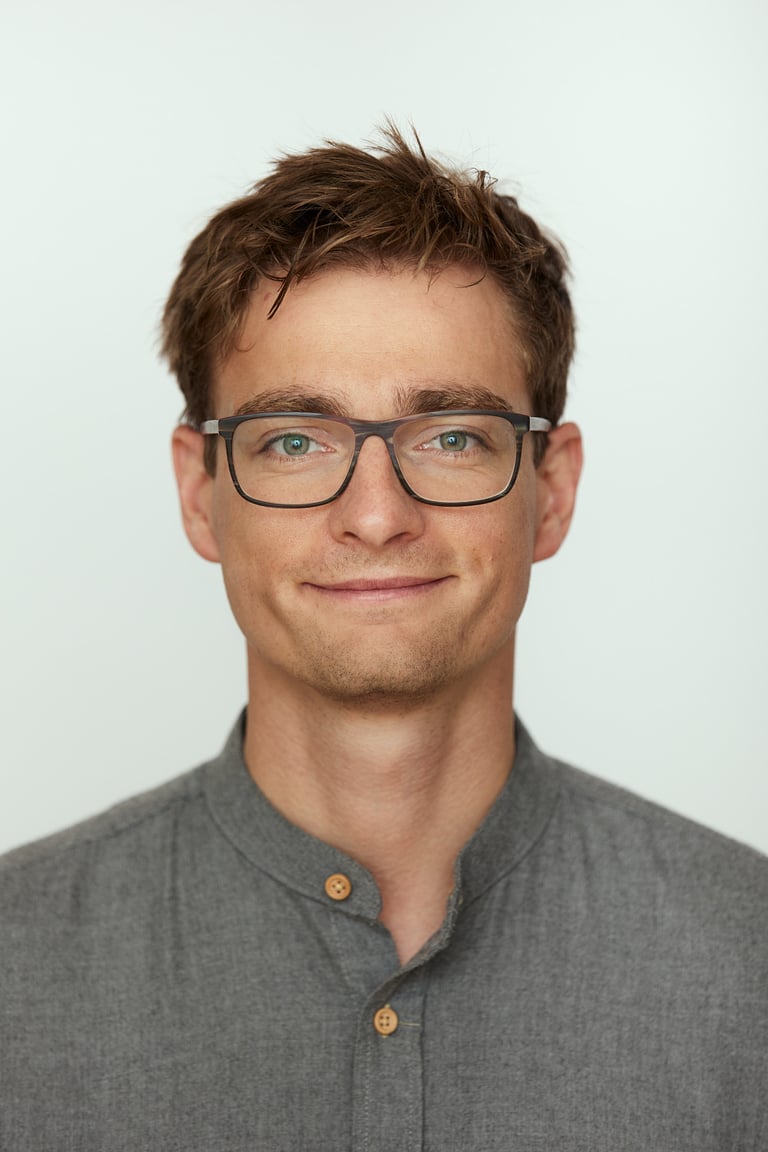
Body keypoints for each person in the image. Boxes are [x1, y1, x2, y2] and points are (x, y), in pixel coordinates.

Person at [1, 125, 766, 1151]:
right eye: (294, 439)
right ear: (199, 492)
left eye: (451, 437)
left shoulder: (747, 958)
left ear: (550, 491)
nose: (375, 517)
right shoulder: (17, 963)